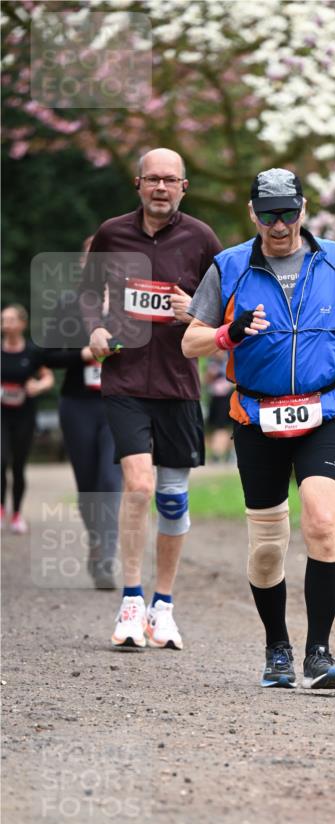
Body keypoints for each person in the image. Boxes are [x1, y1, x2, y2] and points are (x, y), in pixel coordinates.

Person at [183, 167, 335, 691]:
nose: (280, 224)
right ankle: (277, 648)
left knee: (321, 522)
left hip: (324, 410)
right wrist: (228, 332)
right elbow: (189, 343)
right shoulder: (229, 267)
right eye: (269, 214)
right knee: (267, 547)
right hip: (257, 417)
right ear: (253, 214)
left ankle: (320, 652)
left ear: (303, 209)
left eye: (288, 212)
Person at [79, 148, 222, 649]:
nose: (161, 187)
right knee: (138, 486)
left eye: (171, 180)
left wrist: (196, 312)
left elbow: (227, 306)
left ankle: (164, 606)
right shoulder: (112, 234)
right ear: (138, 184)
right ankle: (131, 600)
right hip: (124, 380)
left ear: (184, 187)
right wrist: (94, 327)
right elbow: (85, 291)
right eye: (152, 179)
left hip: (179, 385)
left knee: (172, 497)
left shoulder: (203, 239)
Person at [45, 236, 123, 588]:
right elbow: (46, 353)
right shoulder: (68, 303)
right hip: (77, 403)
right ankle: (96, 541)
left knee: (111, 480)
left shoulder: (127, 304)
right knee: (89, 485)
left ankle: (107, 556)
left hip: (120, 404)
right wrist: (82, 355)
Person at [1, 305, 54, 533]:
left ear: (22, 324)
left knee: (19, 466)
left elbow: (48, 377)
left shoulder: (32, 352)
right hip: (1, 414)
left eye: (11, 320)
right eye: (3, 320)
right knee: (0, 460)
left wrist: (38, 386)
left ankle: (17, 515)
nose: (6, 324)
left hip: (24, 414)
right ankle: (1, 509)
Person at [205, 353, 235, 463]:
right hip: (215, 397)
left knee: (222, 426)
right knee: (217, 426)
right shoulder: (212, 361)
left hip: (227, 397)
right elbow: (207, 379)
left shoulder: (230, 358)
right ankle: (222, 453)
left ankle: (218, 453)